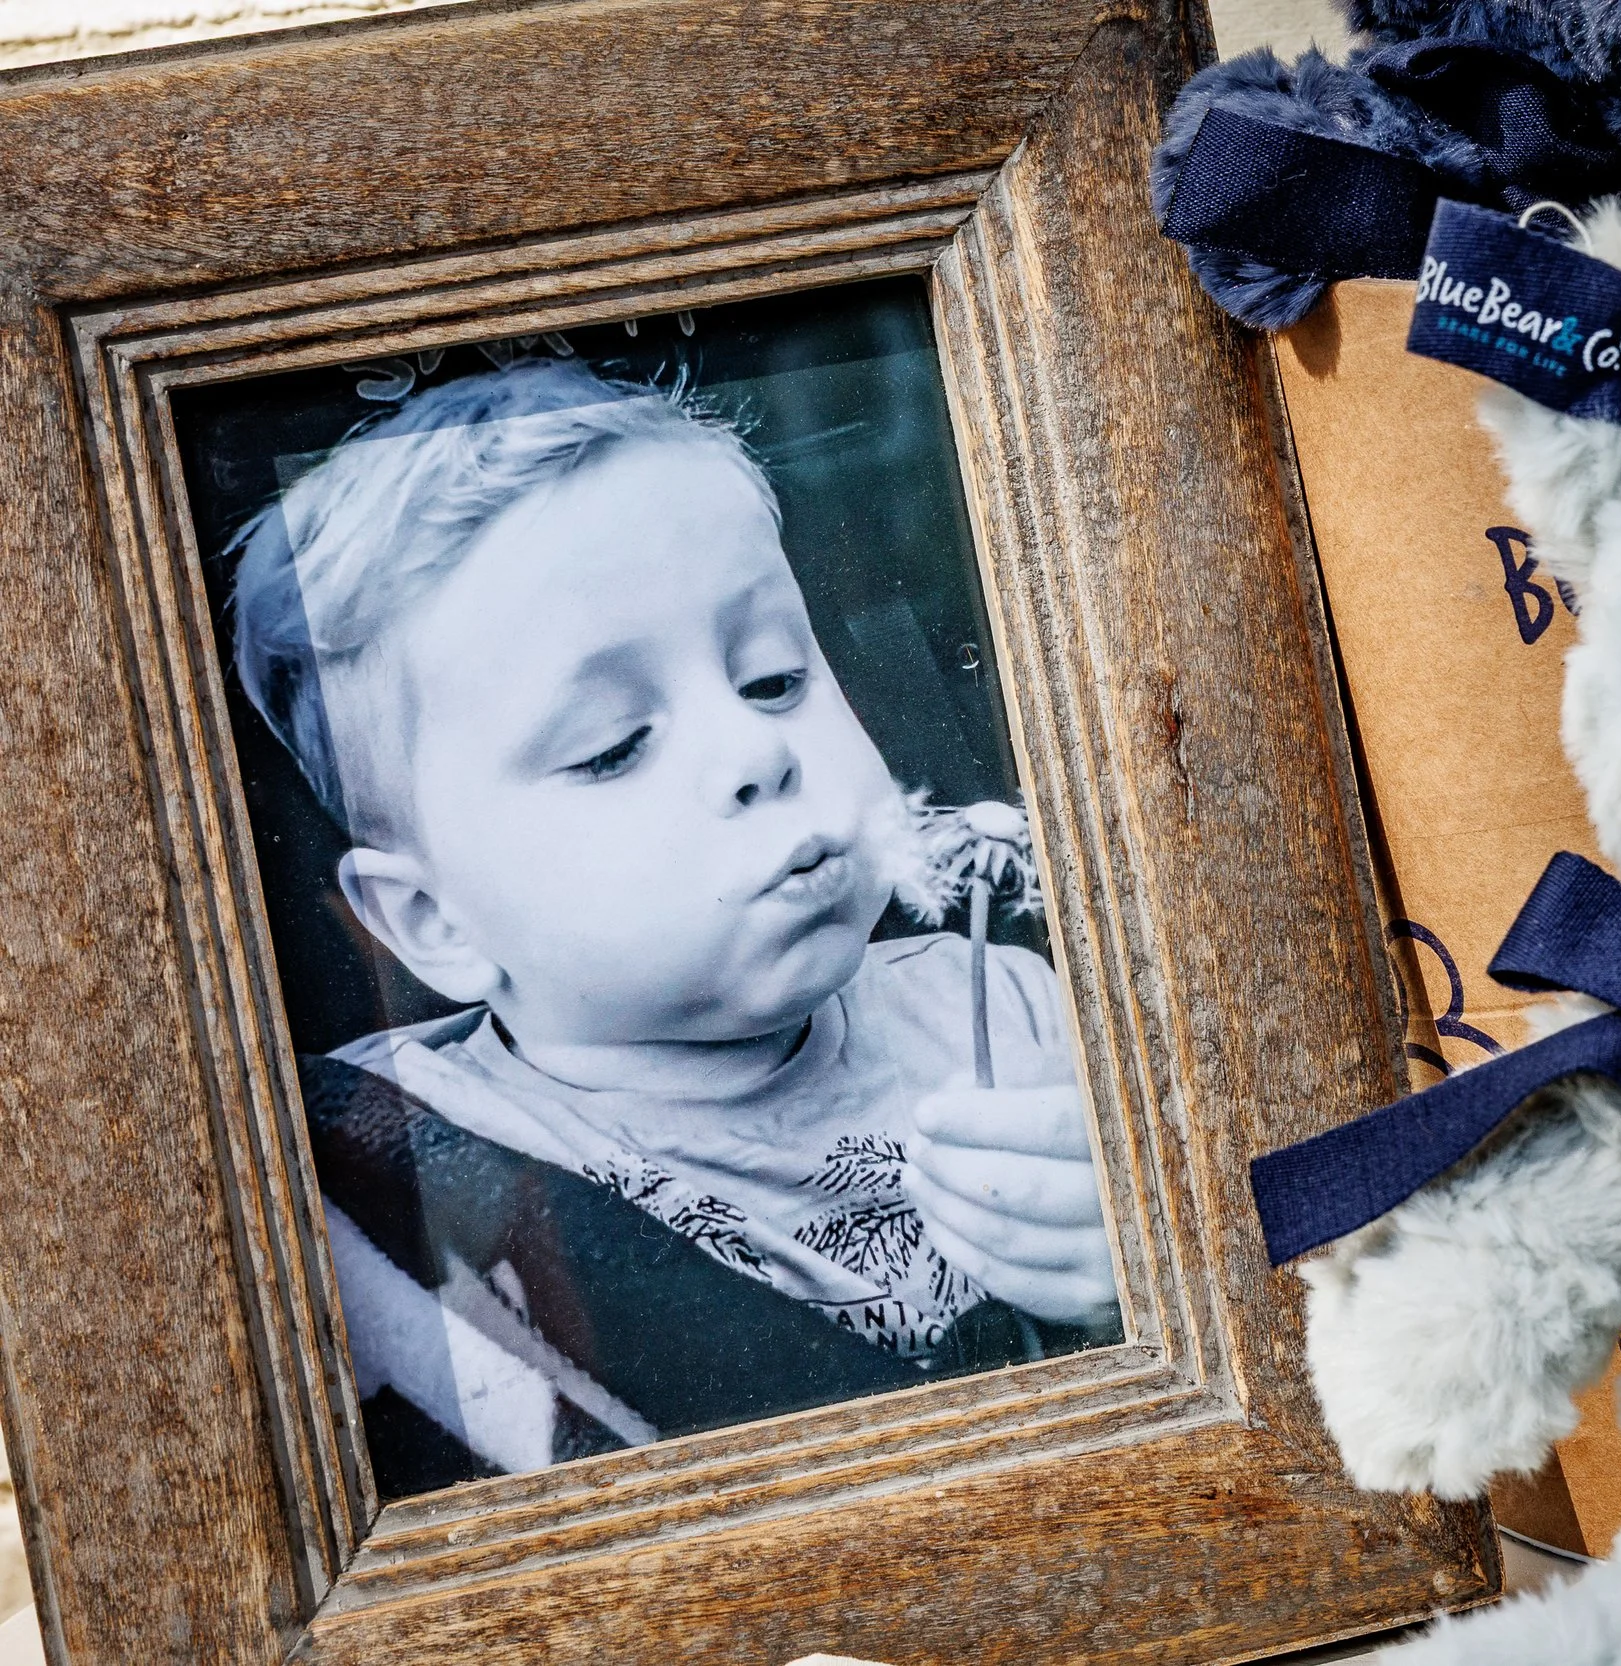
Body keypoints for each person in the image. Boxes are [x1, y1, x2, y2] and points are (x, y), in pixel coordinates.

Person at [229, 360, 1116, 1494]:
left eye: (774, 677)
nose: (758, 753)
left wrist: (1134, 1256)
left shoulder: (1018, 1005)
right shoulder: (375, 1166)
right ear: (433, 920)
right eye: (610, 747)